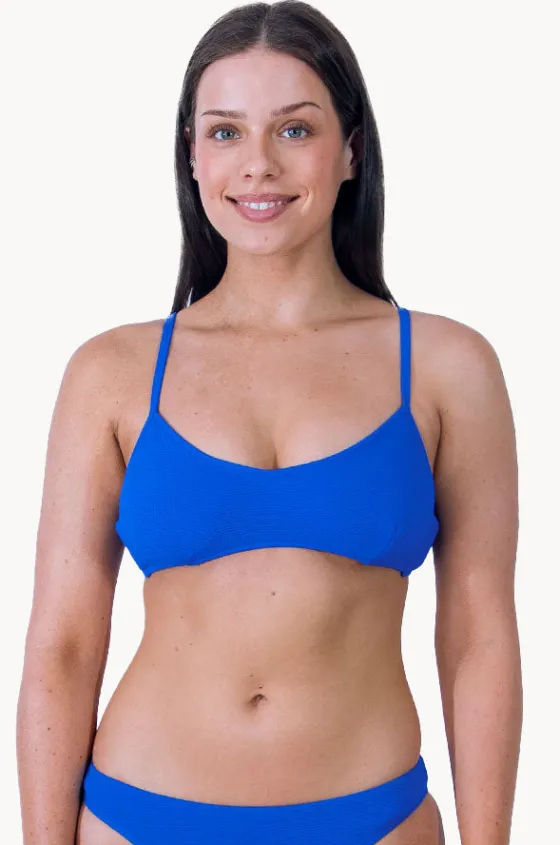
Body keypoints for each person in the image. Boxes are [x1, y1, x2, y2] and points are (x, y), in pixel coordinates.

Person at [17, 2, 522, 844]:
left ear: (351, 149)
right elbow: (62, 646)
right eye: (225, 132)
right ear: (191, 154)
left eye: (294, 129)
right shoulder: (111, 372)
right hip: (138, 817)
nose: (258, 164)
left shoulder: (447, 366)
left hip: (372, 819)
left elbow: (480, 634)